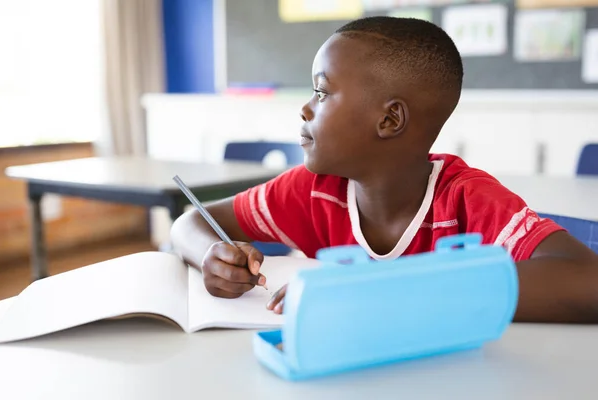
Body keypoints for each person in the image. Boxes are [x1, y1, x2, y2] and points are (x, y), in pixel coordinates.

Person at [170, 16, 598, 324]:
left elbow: (587, 283)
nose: (304, 108)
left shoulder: (465, 200)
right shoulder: (315, 191)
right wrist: (211, 255)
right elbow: (191, 221)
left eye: (321, 92)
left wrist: (380, 290)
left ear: (390, 120)